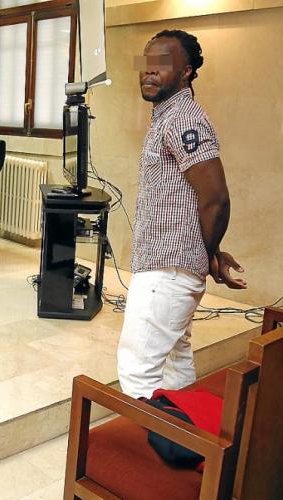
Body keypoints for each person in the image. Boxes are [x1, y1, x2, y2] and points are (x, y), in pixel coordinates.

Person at [117, 29, 248, 399]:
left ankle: (150, 436)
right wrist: (210, 252)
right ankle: (189, 429)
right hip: (170, 267)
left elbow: (216, 198)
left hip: (168, 271)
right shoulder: (167, 116)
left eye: (162, 64)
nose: (149, 71)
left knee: (138, 371)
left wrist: (207, 251)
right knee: (176, 361)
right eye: (146, 63)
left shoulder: (183, 119)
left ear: (186, 71)